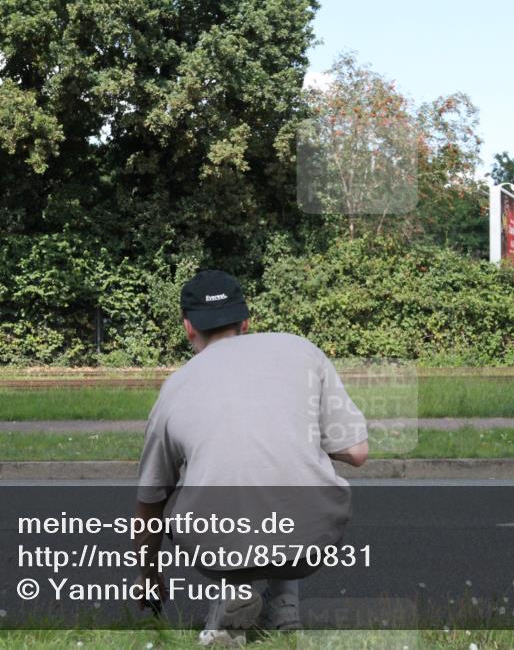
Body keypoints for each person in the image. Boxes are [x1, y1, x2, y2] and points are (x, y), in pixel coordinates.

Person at [134, 269, 369, 647]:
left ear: (188, 327)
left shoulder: (175, 387)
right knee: (291, 474)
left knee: (177, 488)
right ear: (246, 321)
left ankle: (231, 596)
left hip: (219, 549)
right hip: (311, 542)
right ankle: (285, 608)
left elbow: (149, 504)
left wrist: (148, 576)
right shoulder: (300, 349)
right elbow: (358, 453)